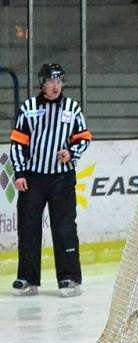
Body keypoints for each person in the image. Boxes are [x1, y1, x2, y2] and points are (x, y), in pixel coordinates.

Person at [9, 63, 91, 298]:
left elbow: (83, 137)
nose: (56, 86)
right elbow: (18, 144)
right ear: (42, 83)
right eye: (51, 82)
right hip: (33, 177)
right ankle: (27, 278)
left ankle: (69, 278)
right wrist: (21, 173)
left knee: (64, 227)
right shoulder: (29, 108)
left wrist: (71, 152)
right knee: (28, 228)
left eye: (59, 81)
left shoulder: (72, 108)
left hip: (62, 177)